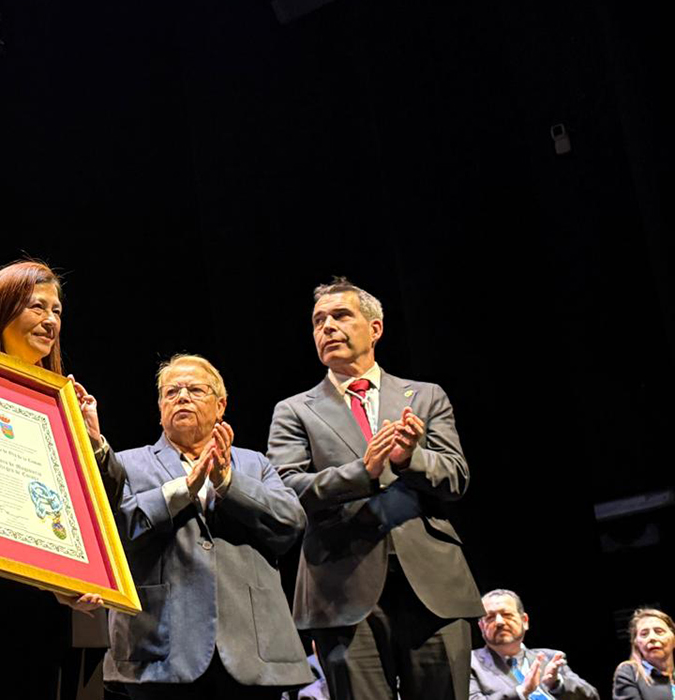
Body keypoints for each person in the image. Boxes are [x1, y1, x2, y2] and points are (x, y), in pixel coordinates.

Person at [268, 277, 482, 700]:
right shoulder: (295, 410)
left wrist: (409, 459)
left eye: (340, 316)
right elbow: (287, 489)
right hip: (341, 589)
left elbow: (456, 476)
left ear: (375, 329)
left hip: (433, 586)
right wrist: (361, 472)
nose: (327, 327)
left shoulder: (424, 396)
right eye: (318, 321)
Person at [0, 260, 122, 699]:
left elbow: (106, 502)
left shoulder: (62, 401)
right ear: (2, 311)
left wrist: (93, 440)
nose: (50, 320)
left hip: (69, 612)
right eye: (36, 307)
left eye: (57, 311)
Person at [105, 354, 313, 698]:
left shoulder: (255, 463)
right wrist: (181, 490)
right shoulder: (127, 463)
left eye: (195, 390)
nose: (182, 397)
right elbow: (115, 532)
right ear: (160, 408)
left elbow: (291, 522)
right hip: (160, 650)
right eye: (171, 392)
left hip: (252, 649)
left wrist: (228, 482)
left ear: (221, 406)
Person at [470, 589, 598, 700]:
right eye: (490, 617)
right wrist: (521, 692)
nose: (499, 622)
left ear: (524, 621)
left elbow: (591, 696)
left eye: (507, 615)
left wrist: (557, 683)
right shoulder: (470, 663)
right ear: (481, 626)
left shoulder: (550, 657)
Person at [613, 609, 674, 700]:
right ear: (636, 644)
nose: (652, 638)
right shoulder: (630, 673)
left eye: (659, 631)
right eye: (644, 634)